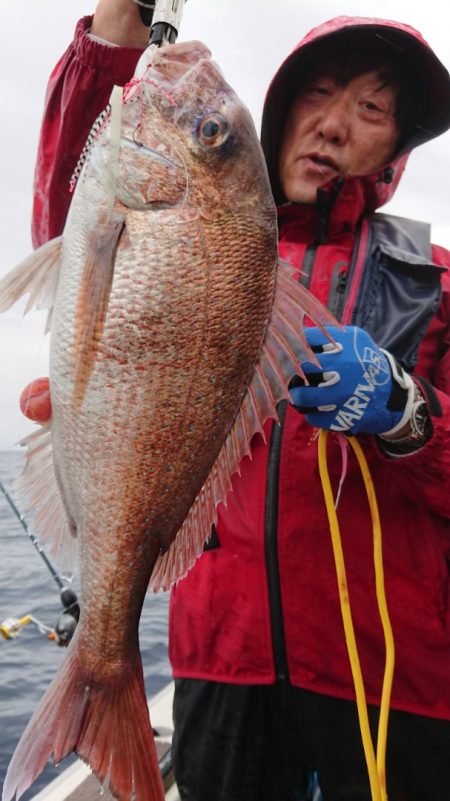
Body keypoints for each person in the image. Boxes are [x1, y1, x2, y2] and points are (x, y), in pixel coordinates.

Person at [21, 3, 450, 800]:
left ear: (396, 146)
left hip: (396, 684)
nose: (333, 126)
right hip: (221, 665)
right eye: (319, 93)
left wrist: (410, 415)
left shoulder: (437, 278)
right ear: (281, 111)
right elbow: (74, 211)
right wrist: (117, 31)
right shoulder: (204, 242)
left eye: (372, 108)